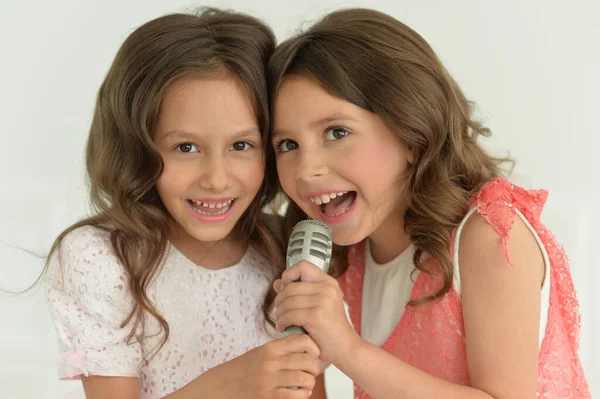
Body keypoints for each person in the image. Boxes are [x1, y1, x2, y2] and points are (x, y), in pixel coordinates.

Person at [268, 8, 590, 398]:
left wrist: (348, 349)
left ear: (412, 132)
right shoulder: (350, 254)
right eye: (287, 145)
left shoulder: (488, 236)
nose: (306, 170)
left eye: (337, 132)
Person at [44, 8, 321, 399]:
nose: (216, 179)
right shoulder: (102, 260)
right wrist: (231, 384)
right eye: (186, 147)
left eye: (241, 145)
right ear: (137, 148)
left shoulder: (285, 248)